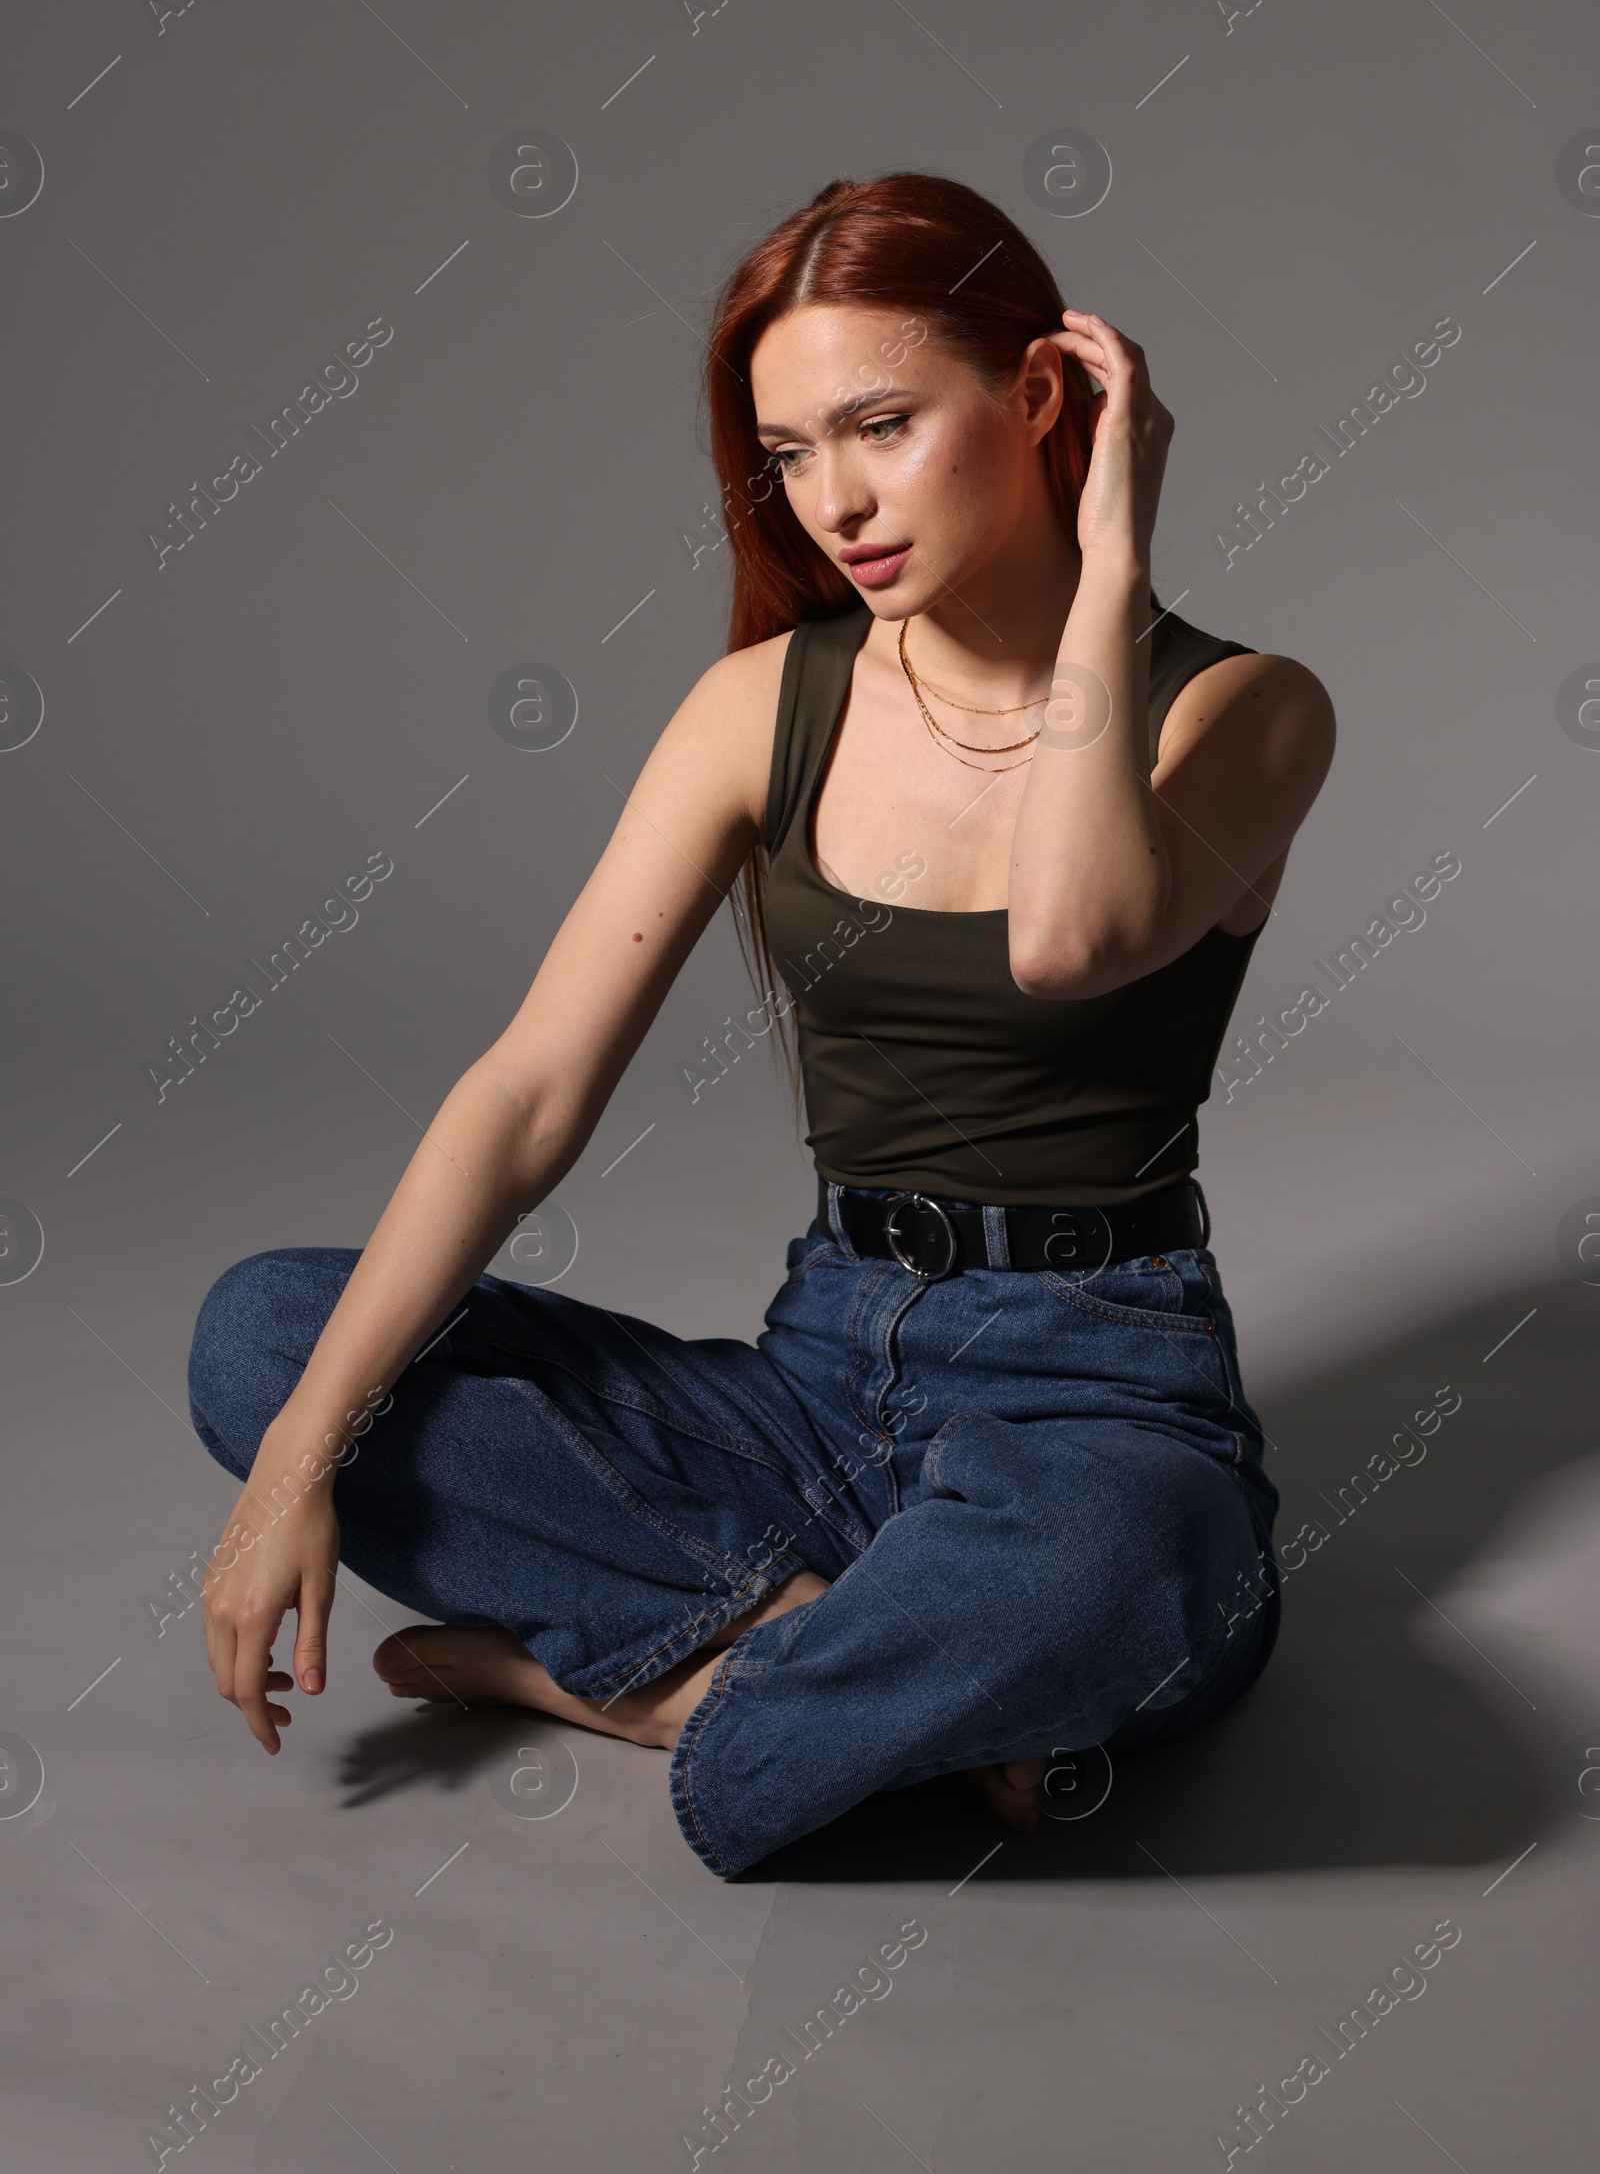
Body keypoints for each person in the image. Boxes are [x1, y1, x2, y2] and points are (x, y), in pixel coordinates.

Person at [188, 171, 1335, 1878]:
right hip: (815, 1384)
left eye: (882, 424)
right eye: (792, 453)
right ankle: (858, 1684)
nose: (836, 503)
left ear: (1040, 399)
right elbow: (525, 1092)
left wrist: (1109, 571)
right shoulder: (763, 708)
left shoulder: (1241, 711)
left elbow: (1073, 940)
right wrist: (295, 1461)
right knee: (271, 1335)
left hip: (1094, 1393)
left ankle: (659, 1690)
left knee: (1130, 1572)